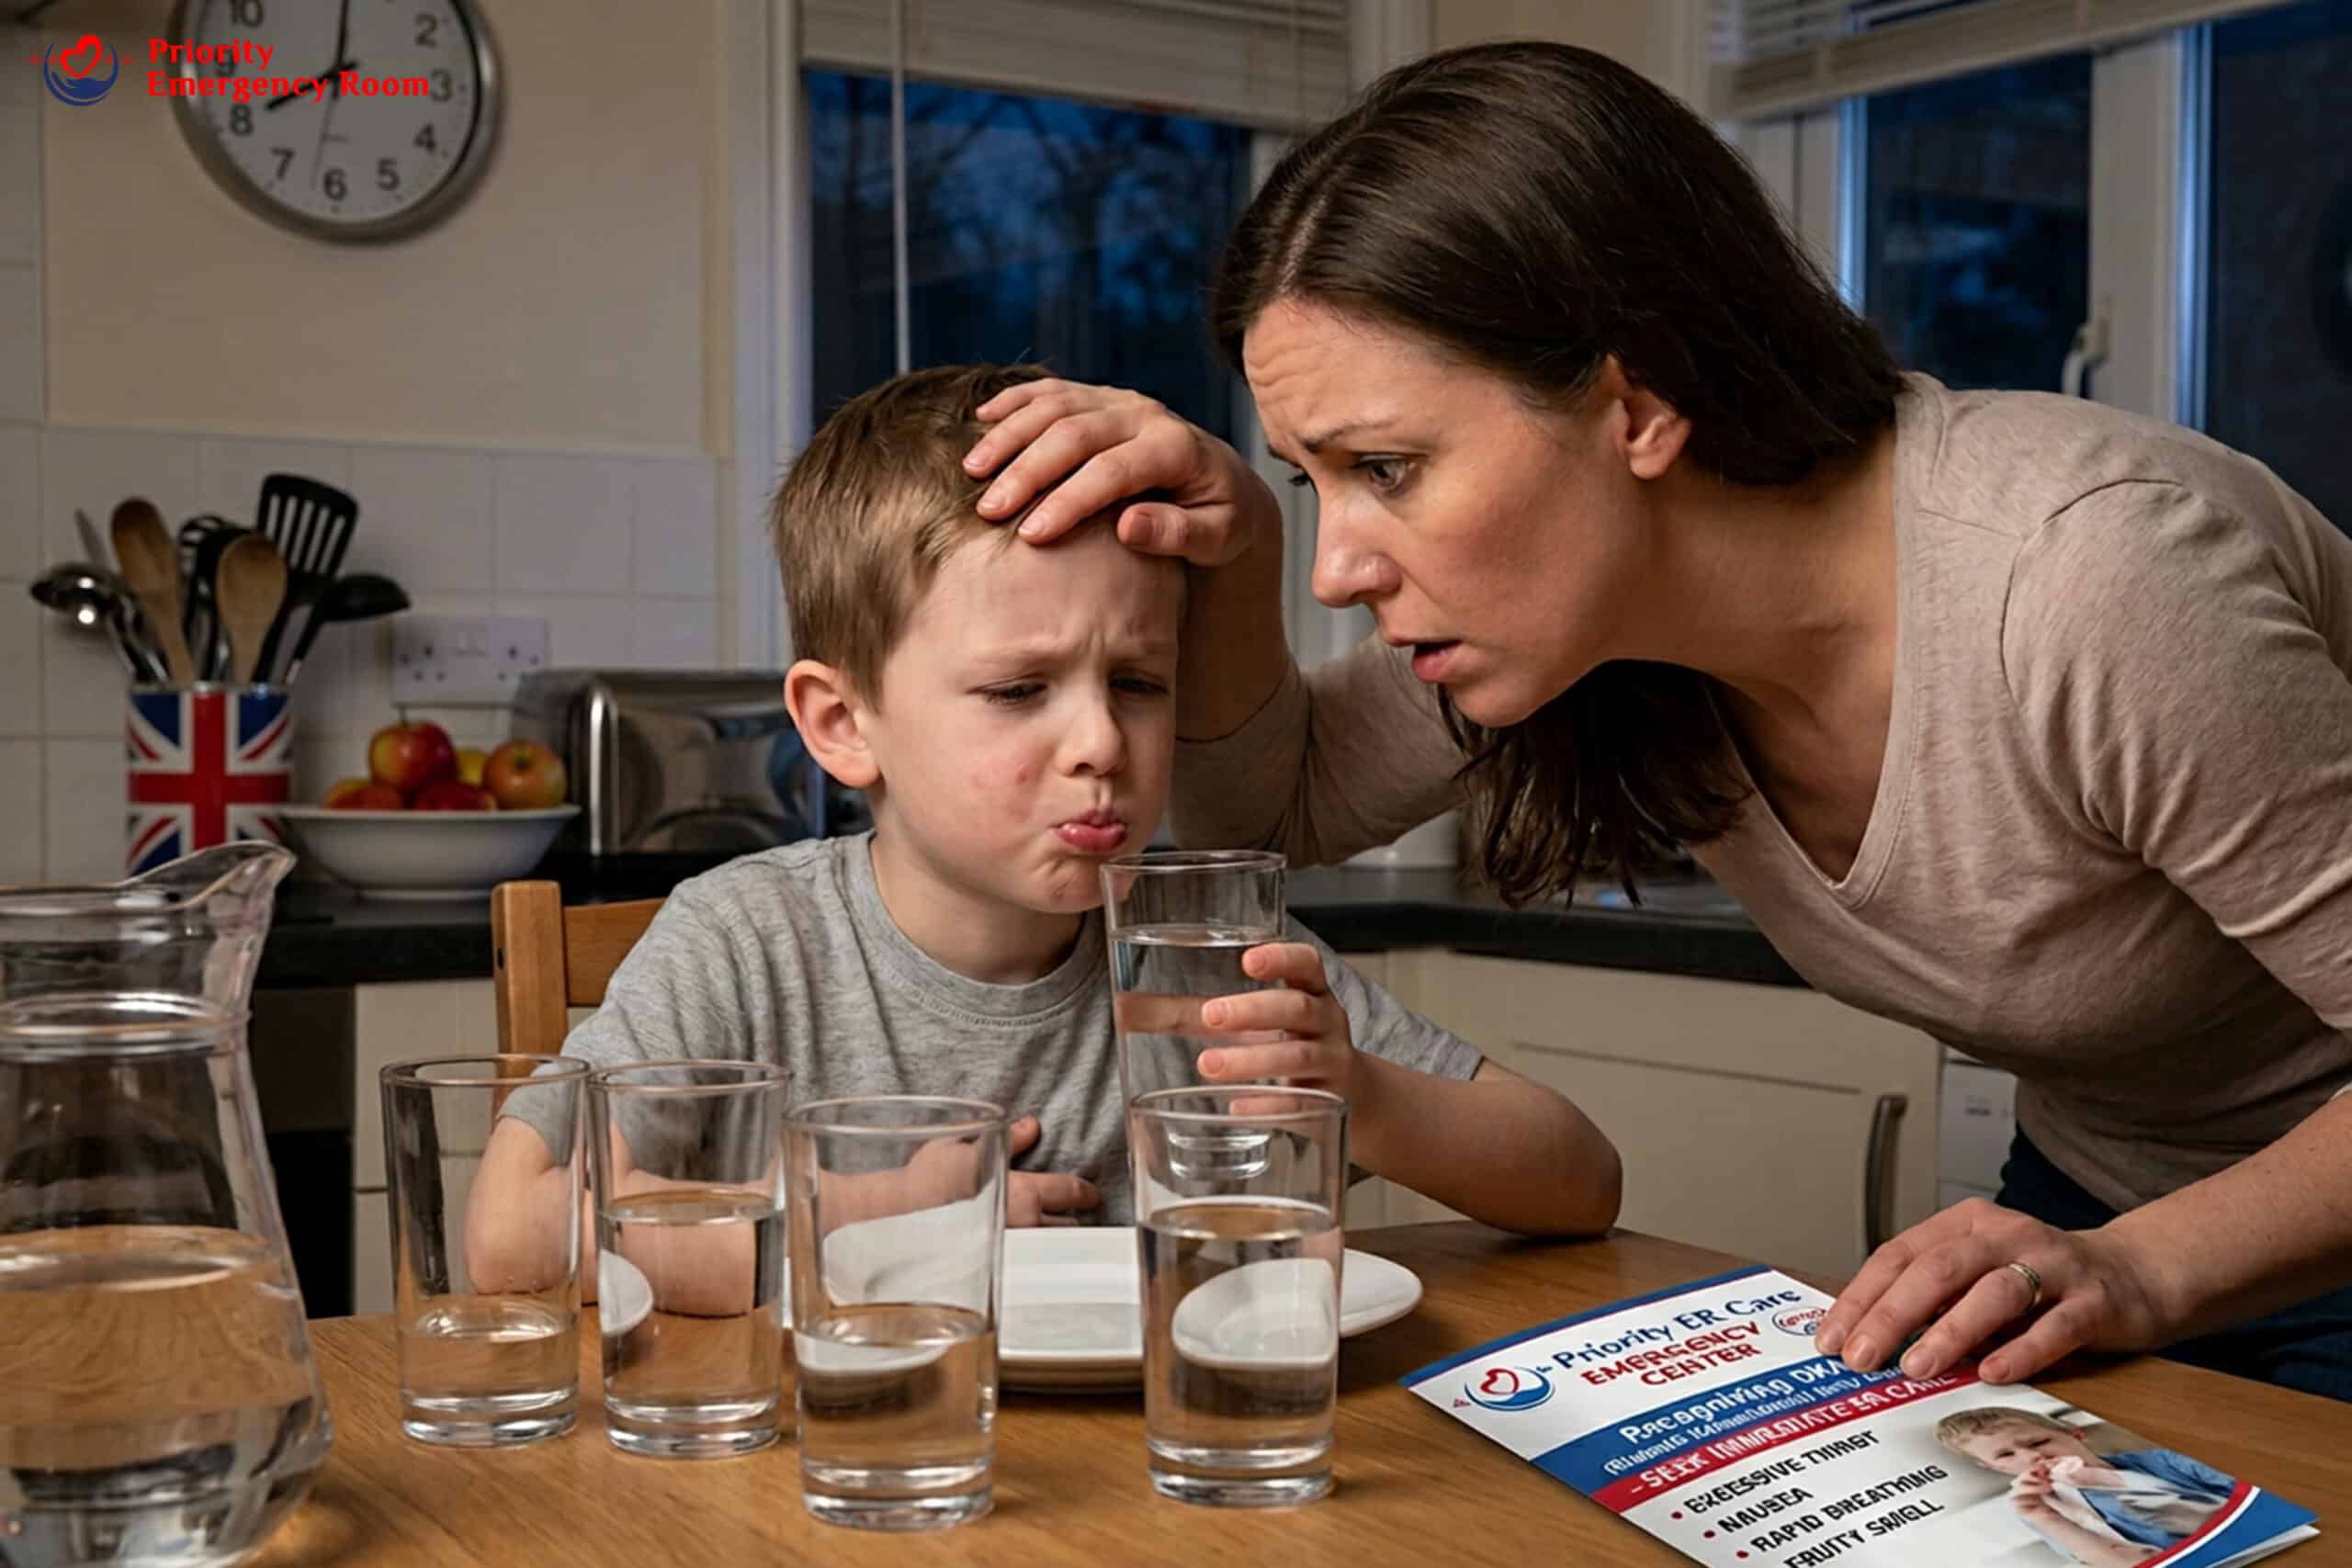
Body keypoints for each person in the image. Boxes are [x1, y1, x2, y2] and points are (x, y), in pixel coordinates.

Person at [959, 41, 2352, 1402]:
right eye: (1313, 480)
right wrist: (1234, 547)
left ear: (1636, 406)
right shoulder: (1599, 627)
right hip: (2099, 1202)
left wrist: (2144, 1269)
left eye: (1387, 467)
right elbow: (1279, 807)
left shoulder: (2090, 582)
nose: (1342, 564)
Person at [468, 363, 1622, 1298]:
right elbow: (511, 1233)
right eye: (1019, 691)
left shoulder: (1200, 949)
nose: (1101, 744)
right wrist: (867, 1219)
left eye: (1137, 681)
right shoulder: (749, 940)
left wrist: (1362, 1095)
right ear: (841, 723)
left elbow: (1582, 1180)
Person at [1936, 1406, 2236, 1564]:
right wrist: (2041, 1516)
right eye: (2006, 1455)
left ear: (2076, 1435)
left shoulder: (2164, 1462)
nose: (2032, 1456)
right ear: (1991, 1467)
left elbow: (2242, 1493)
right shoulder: (2044, 1512)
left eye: (2039, 1441)